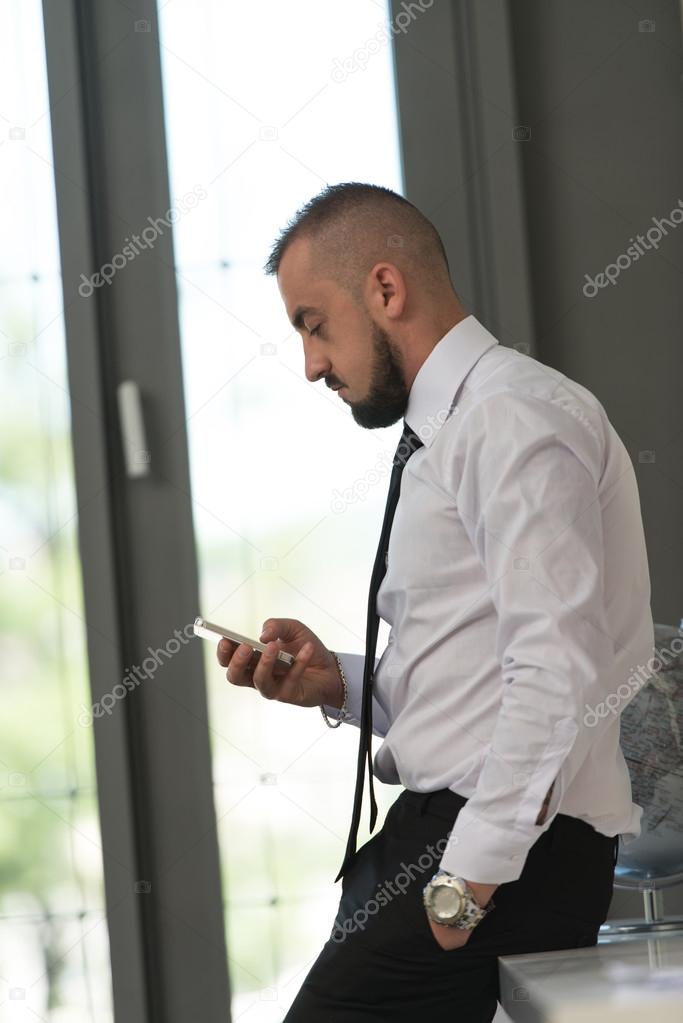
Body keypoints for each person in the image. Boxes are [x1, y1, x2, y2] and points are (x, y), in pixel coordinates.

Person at [216, 182, 654, 1021]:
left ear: (386, 289)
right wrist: (333, 684)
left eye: (313, 324)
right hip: (452, 841)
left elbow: (555, 672)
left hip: (501, 852)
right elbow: (474, 685)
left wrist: (464, 886)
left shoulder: (511, 416)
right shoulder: (451, 428)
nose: (309, 364)